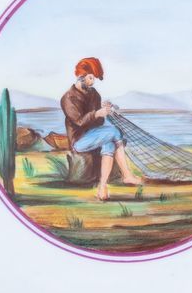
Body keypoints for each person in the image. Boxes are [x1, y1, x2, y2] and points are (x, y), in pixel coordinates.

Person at [60, 57, 142, 201]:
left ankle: (102, 186)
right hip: (78, 141)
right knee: (115, 131)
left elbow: (99, 122)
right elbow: (79, 122)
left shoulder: (94, 94)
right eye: (90, 78)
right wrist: (97, 113)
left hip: (94, 135)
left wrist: (104, 110)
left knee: (109, 143)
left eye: (94, 79)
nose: (92, 82)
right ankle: (127, 175)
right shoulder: (68, 98)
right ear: (81, 77)